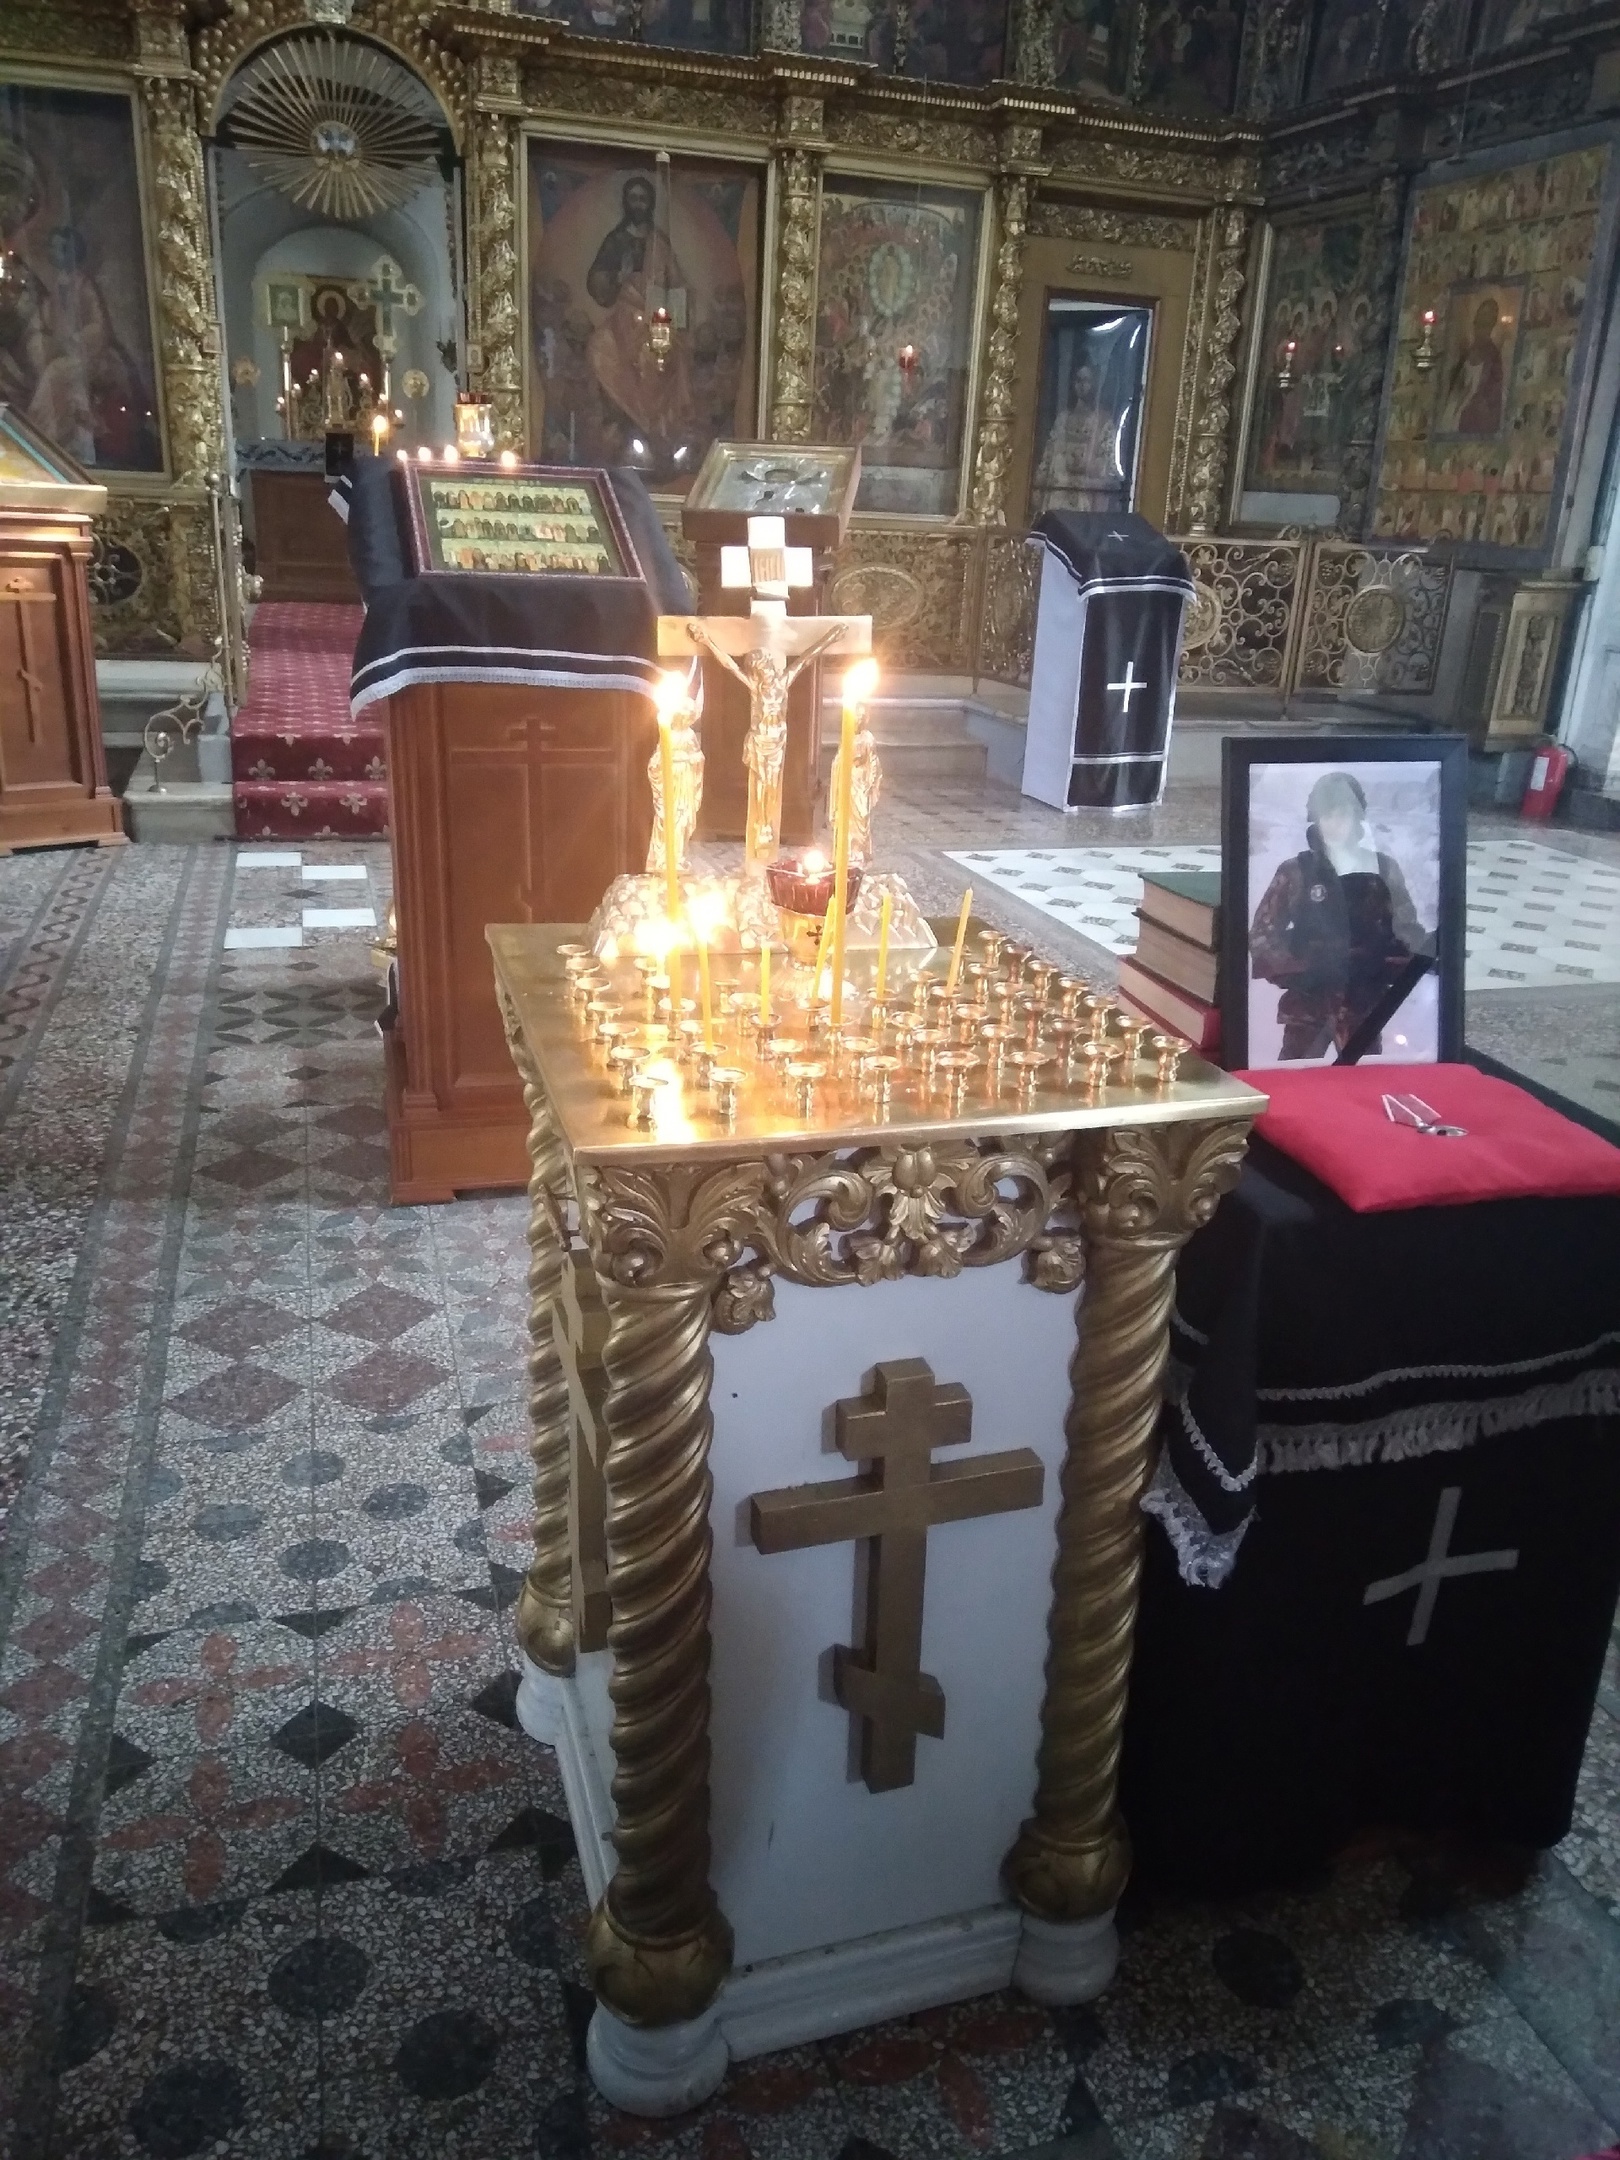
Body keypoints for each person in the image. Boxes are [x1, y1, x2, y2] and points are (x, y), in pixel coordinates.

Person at [1249, 770, 1434, 1059]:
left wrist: (1411, 957)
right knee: (1294, 1077)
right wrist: (1304, 967)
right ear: (1316, 818)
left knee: (1363, 1080)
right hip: (1308, 1003)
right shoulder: (1296, 872)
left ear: (1356, 818)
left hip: (1363, 1002)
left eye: (1343, 815)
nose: (1335, 824)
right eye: (1327, 815)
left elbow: (1406, 930)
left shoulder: (1383, 869)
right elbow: (1263, 934)